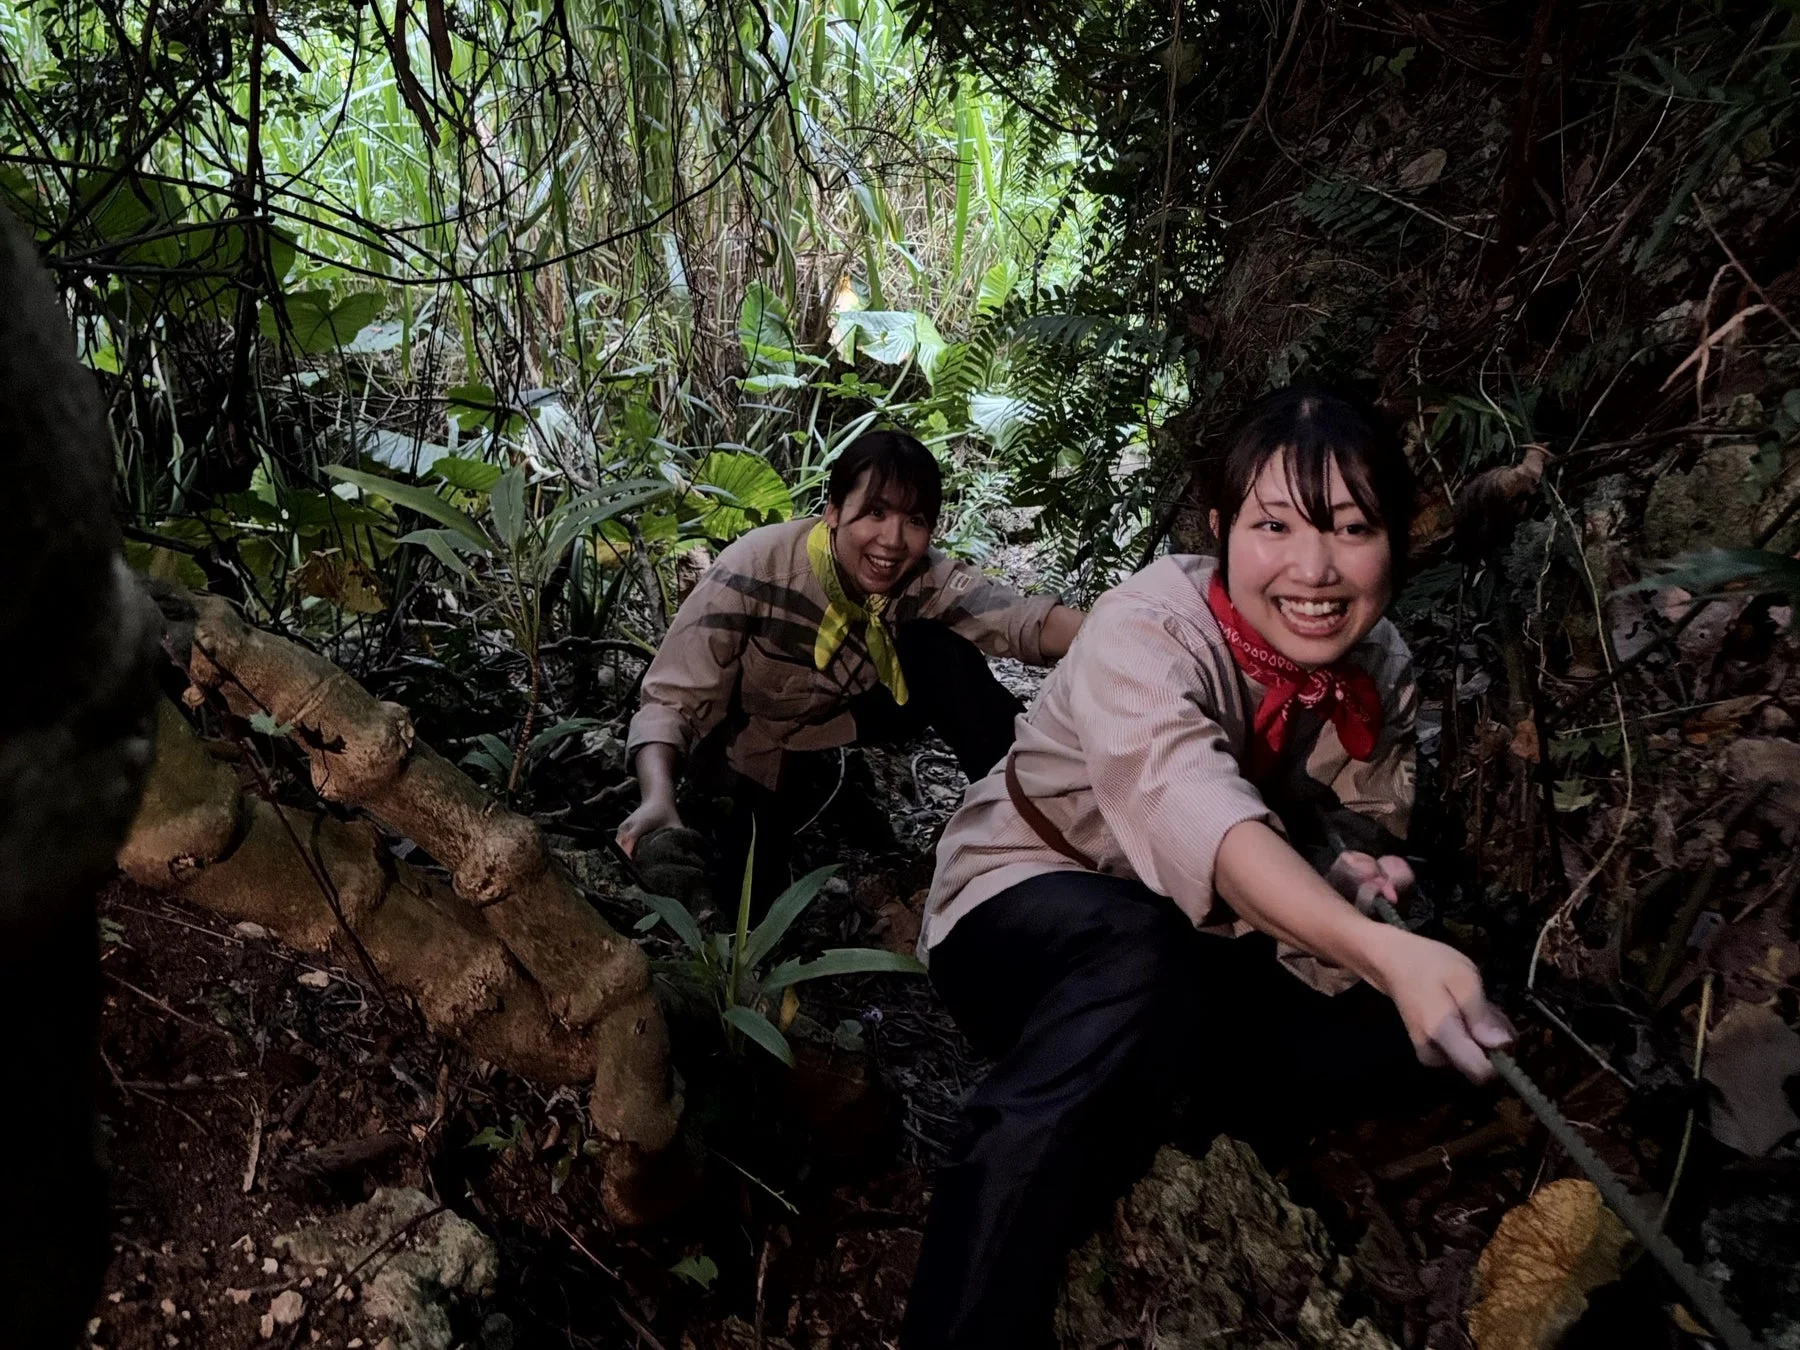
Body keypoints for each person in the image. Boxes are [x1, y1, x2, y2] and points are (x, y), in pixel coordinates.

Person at [900, 383, 1516, 1349]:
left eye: (1352, 528)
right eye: (1275, 526)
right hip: (1017, 906)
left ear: (1397, 540)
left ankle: (1175, 1101)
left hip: (1205, 941)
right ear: (1223, 530)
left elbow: (1359, 824)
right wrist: (1378, 950)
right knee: (1139, 952)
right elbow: (1195, 809)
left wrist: (1358, 878)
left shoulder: (1382, 663)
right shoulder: (1146, 626)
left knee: (1413, 1034)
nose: (1314, 569)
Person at [617, 429, 1084, 902]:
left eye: (914, 520)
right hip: (751, 747)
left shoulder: (917, 576)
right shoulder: (754, 571)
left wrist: (1123, 624)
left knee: (941, 652)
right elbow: (671, 700)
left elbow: (1018, 619)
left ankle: (1028, 811)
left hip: (844, 714)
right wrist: (657, 797)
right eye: (876, 512)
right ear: (834, 511)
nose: (893, 541)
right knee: (751, 897)